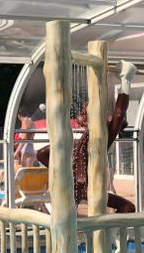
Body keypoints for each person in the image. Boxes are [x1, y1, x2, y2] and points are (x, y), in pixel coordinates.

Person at [36, 60, 137, 214]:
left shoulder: (99, 137)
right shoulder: (85, 141)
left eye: (85, 110)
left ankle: (126, 77)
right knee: (127, 207)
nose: (82, 113)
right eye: (83, 110)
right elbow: (41, 154)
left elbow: (119, 115)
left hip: (85, 185)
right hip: (80, 185)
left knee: (127, 207)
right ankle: (126, 78)